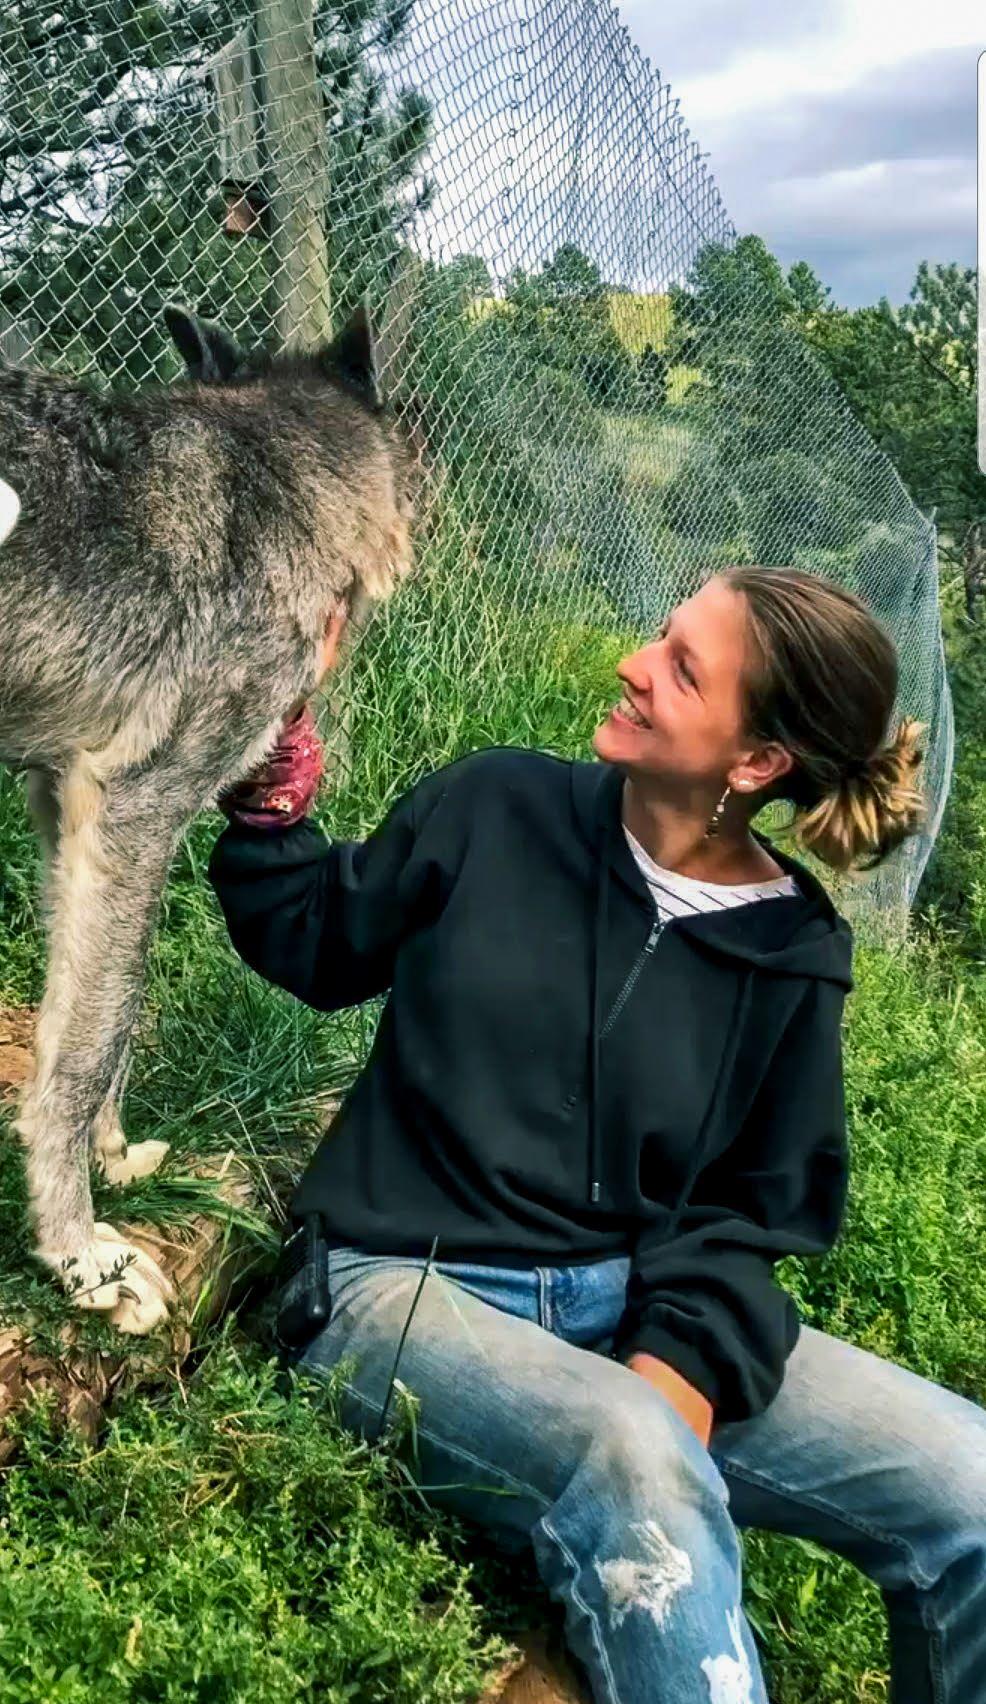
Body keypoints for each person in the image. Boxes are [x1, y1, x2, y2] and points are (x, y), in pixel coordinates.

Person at [208, 567, 986, 1704]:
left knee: (968, 1486)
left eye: (679, 666)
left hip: (625, 1301)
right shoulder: (495, 805)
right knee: (627, 1452)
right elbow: (319, 941)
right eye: (660, 636)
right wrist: (270, 756)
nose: (632, 663)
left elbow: (749, 1210)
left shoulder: (790, 951)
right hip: (399, 1291)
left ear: (754, 763)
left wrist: (672, 1363)